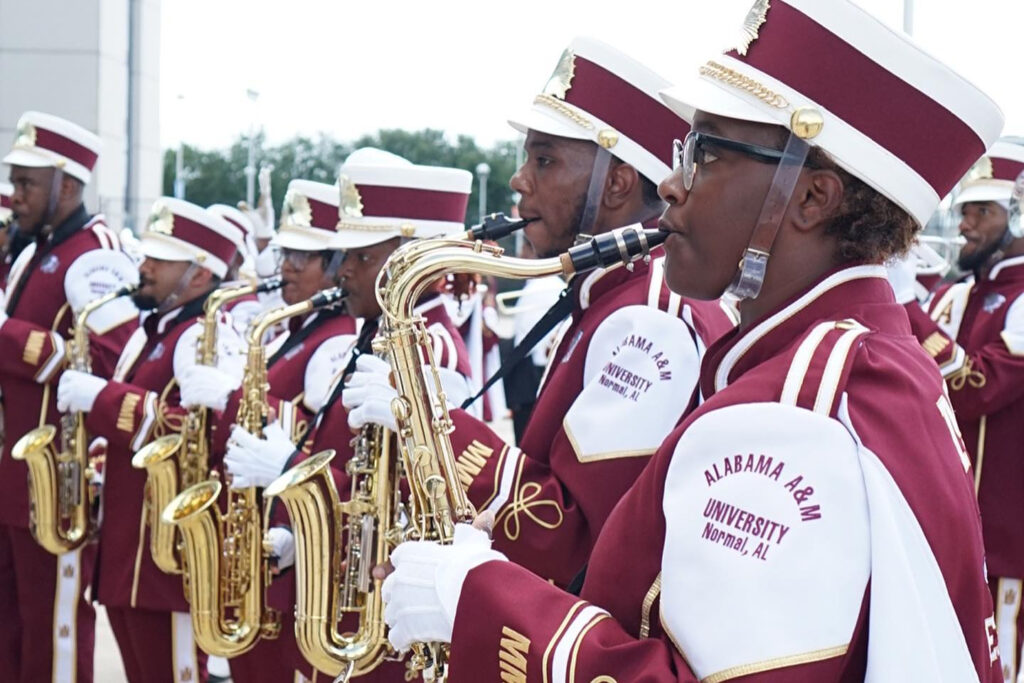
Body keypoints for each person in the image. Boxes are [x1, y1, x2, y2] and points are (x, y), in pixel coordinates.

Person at [382, 1, 1005, 680]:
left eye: (704, 151)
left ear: (811, 199)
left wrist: (475, 596)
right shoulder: (852, 359)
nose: (671, 182)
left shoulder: (791, 414)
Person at [347, 37, 734, 587]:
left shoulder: (648, 321)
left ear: (618, 182)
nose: (518, 180)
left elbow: (566, 533)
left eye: (544, 159)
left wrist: (425, 418)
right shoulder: (612, 299)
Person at [221, 149, 476, 681]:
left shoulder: (433, 351)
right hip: (351, 601)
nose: (344, 272)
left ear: (410, 258)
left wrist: (291, 469)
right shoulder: (379, 334)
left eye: (362, 256)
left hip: (387, 628)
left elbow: (418, 510)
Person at [57, 197, 247, 682]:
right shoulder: (157, 329)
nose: (144, 267)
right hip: (131, 547)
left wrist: (101, 399)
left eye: (160, 261)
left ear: (199, 276)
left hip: (169, 555)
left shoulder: (205, 335)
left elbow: (198, 432)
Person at [0, 111, 138, 683]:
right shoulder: (35, 249)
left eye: (28, 182)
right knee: (10, 627)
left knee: (55, 628)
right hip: (13, 471)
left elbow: (109, 364)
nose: (15, 195)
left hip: (58, 476)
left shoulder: (97, 251)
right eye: (15, 179)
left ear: (69, 184)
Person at [897, 140, 1024, 682]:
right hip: (947, 523)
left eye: (983, 212)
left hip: (1005, 537)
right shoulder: (959, 294)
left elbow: (978, 385)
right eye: (965, 210)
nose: (967, 225)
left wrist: (903, 304)